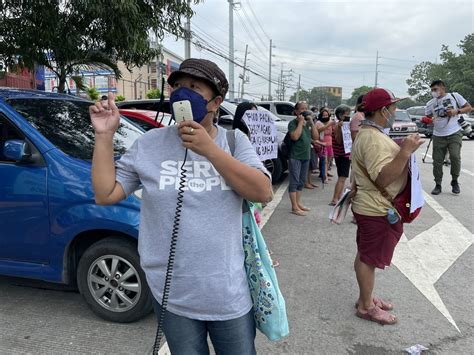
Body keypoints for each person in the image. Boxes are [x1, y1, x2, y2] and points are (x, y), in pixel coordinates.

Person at [90, 58, 273, 354]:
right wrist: (103, 136)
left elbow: (263, 191)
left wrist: (210, 150)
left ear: (216, 102)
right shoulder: (149, 144)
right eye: (177, 85)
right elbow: (105, 193)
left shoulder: (233, 141)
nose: (180, 93)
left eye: (193, 87)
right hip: (172, 292)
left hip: (227, 293)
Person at [350, 88, 424, 325]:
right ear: (383, 110)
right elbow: (383, 178)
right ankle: (365, 306)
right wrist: (404, 151)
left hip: (373, 206)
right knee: (368, 258)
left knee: (365, 254)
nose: (394, 111)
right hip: (376, 208)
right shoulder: (372, 138)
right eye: (392, 107)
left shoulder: (371, 134)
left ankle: (367, 297)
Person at [425, 80, 472, 195]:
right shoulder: (430, 103)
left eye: (435, 89)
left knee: (455, 157)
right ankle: (438, 184)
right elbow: (427, 116)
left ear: (442, 88)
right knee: (437, 161)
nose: (433, 92)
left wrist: (457, 111)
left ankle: (455, 181)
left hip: (454, 132)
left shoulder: (454, 96)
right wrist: (430, 119)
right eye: (432, 90)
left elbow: (469, 107)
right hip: (438, 135)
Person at [287, 101, 319, 216]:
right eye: (301, 108)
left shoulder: (308, 123)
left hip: (306, 156)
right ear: (296, 111)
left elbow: (315, 137)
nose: (304, 110)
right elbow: (295, 137)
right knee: (294, 182)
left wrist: (311, 122)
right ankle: (294, 207)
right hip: (295, 156)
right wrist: (300, 123)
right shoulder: (293, 123)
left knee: (301, 182)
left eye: (306, 108)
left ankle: (298, 203)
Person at [330, 105, 352, 205]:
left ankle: (338, 197)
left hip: (342, 155)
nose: (348, 116)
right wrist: (340, 128)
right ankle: (335, 198)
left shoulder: (343, 125)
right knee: (342, 178)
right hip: (342, 155)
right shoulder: (338, 126)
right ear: (340, 115)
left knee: (342, 178)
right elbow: (338, 140)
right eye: (346, 115)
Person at [315, 109, 335, 183]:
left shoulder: (330, 122)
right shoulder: (318, 123)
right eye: (323, 115)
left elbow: (334, 131)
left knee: (328, 160)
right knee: (325, 161)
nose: (325, 116)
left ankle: (324, 173)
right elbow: (318, 130)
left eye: (326, 115)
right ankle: (325, 177)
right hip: (322, 143)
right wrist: (328, 125)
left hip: (330, 143)